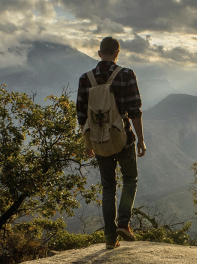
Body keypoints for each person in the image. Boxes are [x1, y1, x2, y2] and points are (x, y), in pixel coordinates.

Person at [76, 36, 146, 249]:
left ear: (99, 53)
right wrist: (141, 139)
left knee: (108, 187)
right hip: (122, 137)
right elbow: (134, 110)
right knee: (130, 179)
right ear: (117, 53)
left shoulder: (85, 78)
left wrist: (88, 143)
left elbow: (81, 115)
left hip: (98, 139)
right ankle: (124, 224)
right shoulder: (126, 74)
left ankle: (109, 239)